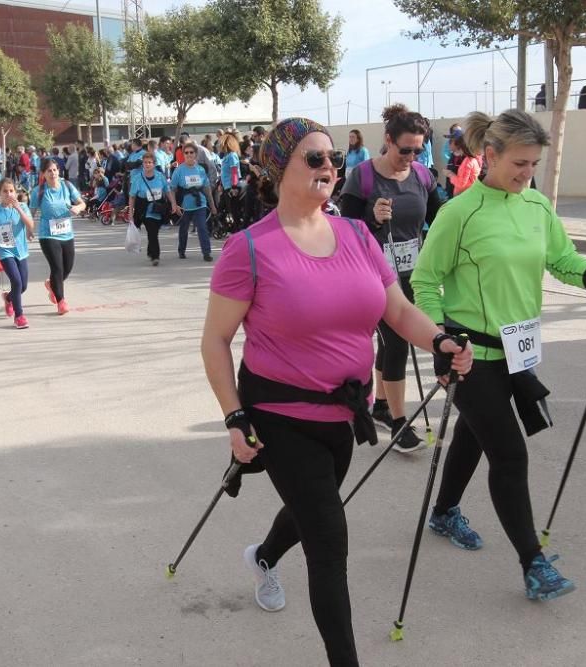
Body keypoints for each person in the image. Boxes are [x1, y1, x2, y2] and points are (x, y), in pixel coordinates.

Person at [202, 117, 471, 667]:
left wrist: (439, 340)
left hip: (344, 417)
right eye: (314, 158)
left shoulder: (354, 234)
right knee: (330, 539)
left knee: (309, 511)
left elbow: (396, 310)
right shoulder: (249, 249)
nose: (330, 167)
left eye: (333, 158)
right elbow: (216, 340)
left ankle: (264, 556)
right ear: (280, 168)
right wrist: (234, 417)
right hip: (279, 415)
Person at [411, 108, 586, 601]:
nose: (525, 172)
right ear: (489, 155)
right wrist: (440, 342)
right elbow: (425, 282)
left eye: (533, 164)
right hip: (471, 355)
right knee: (510, 454)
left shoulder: (536, 205)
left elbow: (563, 259)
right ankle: (533, 564)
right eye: (519, 162)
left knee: (474, 436)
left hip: (519, 351)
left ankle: (444, 511)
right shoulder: (459, 212)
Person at [338, 103, 444, 453]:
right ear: (387, 140)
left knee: (392, 342)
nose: (411, 156)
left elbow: (439, 217)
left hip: (414, 273)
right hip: (374, 277)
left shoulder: (422, 176)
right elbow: (346, 233)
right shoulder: (364, 177)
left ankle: (381, 404)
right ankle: (400, 422)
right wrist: (375, 223)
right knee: (398, 342)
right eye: (405, 149)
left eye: (418, 149)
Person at [30, 157, 85, 315]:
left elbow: (82, 203)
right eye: (49, 171)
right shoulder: (38, 191)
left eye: (55, 170)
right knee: (57, 268)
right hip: (48, 235)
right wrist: (28, 229)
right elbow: (31, 213)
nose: (53, 173)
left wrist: (78, 208)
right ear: (43, 174)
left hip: (67, 233)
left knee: (67, 268)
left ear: (58, 171)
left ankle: (52, 284)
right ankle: (61, 301)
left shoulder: (67, 186)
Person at [0, 178, 34, 329]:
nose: (8, 194)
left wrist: (18, 208)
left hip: (21, 252)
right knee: (16, 282)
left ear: (15, 192)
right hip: (5, 253)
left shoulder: (22, 206)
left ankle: (9, 298)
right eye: (5, 191)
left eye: (11, 191)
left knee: (23, 286)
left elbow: (30, 225)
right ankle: (19, 316)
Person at [129, 152, 178, 266]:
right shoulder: (137, 178)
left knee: (153, 232)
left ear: (154, 164)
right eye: (145, 162)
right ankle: (155, 256)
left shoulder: (160, 176)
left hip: (158, 207)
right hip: (144, 209)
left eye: (150, 162)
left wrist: (174, 204)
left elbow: (167, 191)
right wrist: (130, 212)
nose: (147, 165)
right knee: (152, 231)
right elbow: (132, 197)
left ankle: (151, 251)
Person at [170, 142, 217, 261]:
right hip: (185, 206)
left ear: (196, 154)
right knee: (183, 229)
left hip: (200, 203)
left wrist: (212, 206)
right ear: (183, 155)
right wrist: (174, 205)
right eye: (186, 153)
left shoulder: (200, 170)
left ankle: (206, 253)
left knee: (202, 227)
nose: (189, 154)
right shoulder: (179, 170)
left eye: (191, 152)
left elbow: (206, 189)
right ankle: (181, 250)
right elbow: (172, 189)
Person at [442, 128, 482, 197]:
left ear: (459, 144)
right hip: (457, 195)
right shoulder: (455, 156)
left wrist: (450, 174)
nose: (448, 143)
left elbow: (461, 183)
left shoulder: (467, 161)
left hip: (464, 197)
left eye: (451, 141)